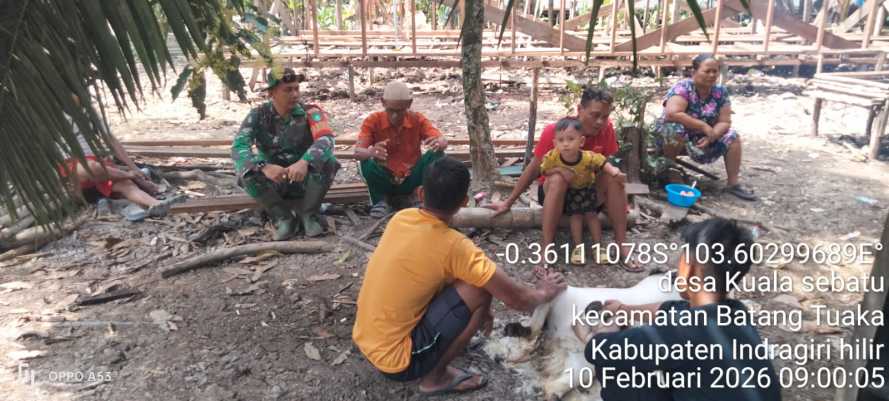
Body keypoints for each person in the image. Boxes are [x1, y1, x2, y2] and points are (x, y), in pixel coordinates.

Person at [352, 156, 567, 396]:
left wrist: (483, 312)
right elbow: (516, 299)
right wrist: (543, 291)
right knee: (479, 288)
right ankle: (435, 378)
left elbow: (437, 270)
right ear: (464, 202)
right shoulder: (456, 247)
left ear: (421, 193)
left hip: (367, 341)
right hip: (399, 362)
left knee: (472, 282)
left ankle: (445, 344)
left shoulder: (401, 219)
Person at [572, 218, 781, 401]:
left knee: (616, 368)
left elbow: (602, 350)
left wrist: (591, 333)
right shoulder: (737, 312)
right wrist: (624, 309)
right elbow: (674, 309)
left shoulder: (677, 333)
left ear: (689, 268)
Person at [489, 86, 641, 272]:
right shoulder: (555, 132)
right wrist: (509, 202)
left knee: (614, 176)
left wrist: (618, 203)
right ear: (580, 109)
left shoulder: (606, 130)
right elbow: (534, 169)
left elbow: (606, 166)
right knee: (559, 178)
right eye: (595, 115)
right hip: (557, 194)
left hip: (587, 195)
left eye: (605, 116)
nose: (600, 121)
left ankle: (621, 244)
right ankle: (546, 249)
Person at [231, 67, 340, 240]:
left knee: (329, 161)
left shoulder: (311, 112)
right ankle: (282, 217)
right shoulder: (258, 115)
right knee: (247, 173)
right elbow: (239, 147)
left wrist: (304, 162)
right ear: (272, 93)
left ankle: (309, 214)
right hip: (274, 183)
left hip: (305, 180)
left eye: (297, 88)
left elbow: (326, 138)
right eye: (288, 90)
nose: (295, 94)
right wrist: (264, 166)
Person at [655, 54, 756, 201]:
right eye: (707, 71)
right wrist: (703, 126)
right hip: (677, 136)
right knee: (674, 129)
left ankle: (733, 184)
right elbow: (672, 114)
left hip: (703, 137)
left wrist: (712, 135)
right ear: (694, 72)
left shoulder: (720, 92)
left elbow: (725, 121)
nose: (712, 75)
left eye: (715, 71)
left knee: (732, 136)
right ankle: (668, 172)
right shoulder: (683, 87)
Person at [58, 111, 179, 221]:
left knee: (126, 185)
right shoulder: (53, 110)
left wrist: (134, 167)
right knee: (91, 167)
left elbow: (112, 142)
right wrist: (131, 173)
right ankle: (132, 177)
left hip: (101, 166)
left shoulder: (89, 111)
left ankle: (155, 204)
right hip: (72, 164)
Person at [354, 81, 448, 218]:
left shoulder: (418, 120)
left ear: (409, 104)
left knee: (437, 155)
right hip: (384, 178)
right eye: (391, 111)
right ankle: (381, 201)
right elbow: (357, 152)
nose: (395, 116)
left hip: (412, 177)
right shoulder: (373, 121)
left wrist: (440, 142)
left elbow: (441, 140)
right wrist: (370, 152)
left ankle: (417, 195)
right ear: (383, 102)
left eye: (400, 111)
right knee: (365, 161)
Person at [539, 118, 623, 266]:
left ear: (581, 141)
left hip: (586, 190)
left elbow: (602, 162)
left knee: (592, 216)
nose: (565, 144)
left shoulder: (587, 156)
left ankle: (598, 246)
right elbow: (544, 170)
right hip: (568, 195)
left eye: (571, 139)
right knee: (576, 217)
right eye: (561, 140)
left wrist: (613, 171)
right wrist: (559, 170)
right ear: (555, 143)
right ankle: (578, 248)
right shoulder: (552, 156)